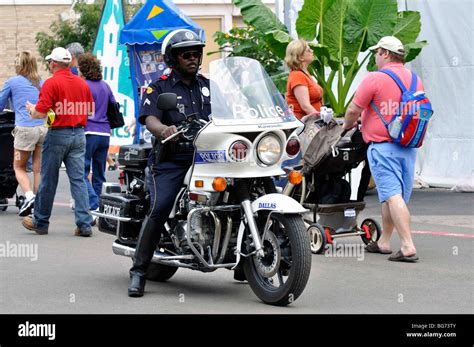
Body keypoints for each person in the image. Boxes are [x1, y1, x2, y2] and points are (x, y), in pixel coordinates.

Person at [128, 29, 211, 297]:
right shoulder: (159, 86)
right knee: (161, 206)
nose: (193, 58)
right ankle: (139, 271)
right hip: (171, 161)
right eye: (186, 54)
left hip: (207, 159)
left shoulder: (207, 85)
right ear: (172, 59)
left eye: (196, 53)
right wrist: (163, 130)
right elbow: (149, 118)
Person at [342, 36, 422, 262]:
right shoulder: (415, 80)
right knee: (392, 197)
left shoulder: (375, 79)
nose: (375, 57)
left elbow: (352, 110)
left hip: (383, 147)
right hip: (408, 147)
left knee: (392, 196)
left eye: (377, 53)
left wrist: (346, 126)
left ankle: (407, 246)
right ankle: (384, 241)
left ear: (385, 53)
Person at [22, 47, 94, 237]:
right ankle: (84, 224)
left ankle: (41, 221)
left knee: (48, 179)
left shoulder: (51, 83)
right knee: (78, 180)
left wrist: (31, 110)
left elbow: (40, 113)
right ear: (69, 63)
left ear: (53, 63)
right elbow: (90, 111)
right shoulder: (82, 84)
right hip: (79, 134)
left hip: (57, 135)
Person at [0, 51, 47, 216]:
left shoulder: (12, 82)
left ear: (20, 65)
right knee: (37, 169)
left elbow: (0, 105)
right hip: (43, 128)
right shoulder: (41, 82)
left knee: (18, 167)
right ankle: (39, 204)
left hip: (25, 129)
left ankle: (29, 197)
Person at [77, 53, 116, 213]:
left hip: (88, 132)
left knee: (81, 172)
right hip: (105, 134)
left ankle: (94, 203)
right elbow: (113, 106)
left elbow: (80, 110)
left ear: (84, 69)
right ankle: (99, 203)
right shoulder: (105, 85)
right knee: (99, 173)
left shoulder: (83, 85)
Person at [284, 39, 324, 120]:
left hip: (310, 121)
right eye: (308, 50)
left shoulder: (304, 74)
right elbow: (305, 106)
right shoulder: (297, 76)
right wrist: (321, 120)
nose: (312, 51)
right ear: (300, 57)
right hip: (303, 124)